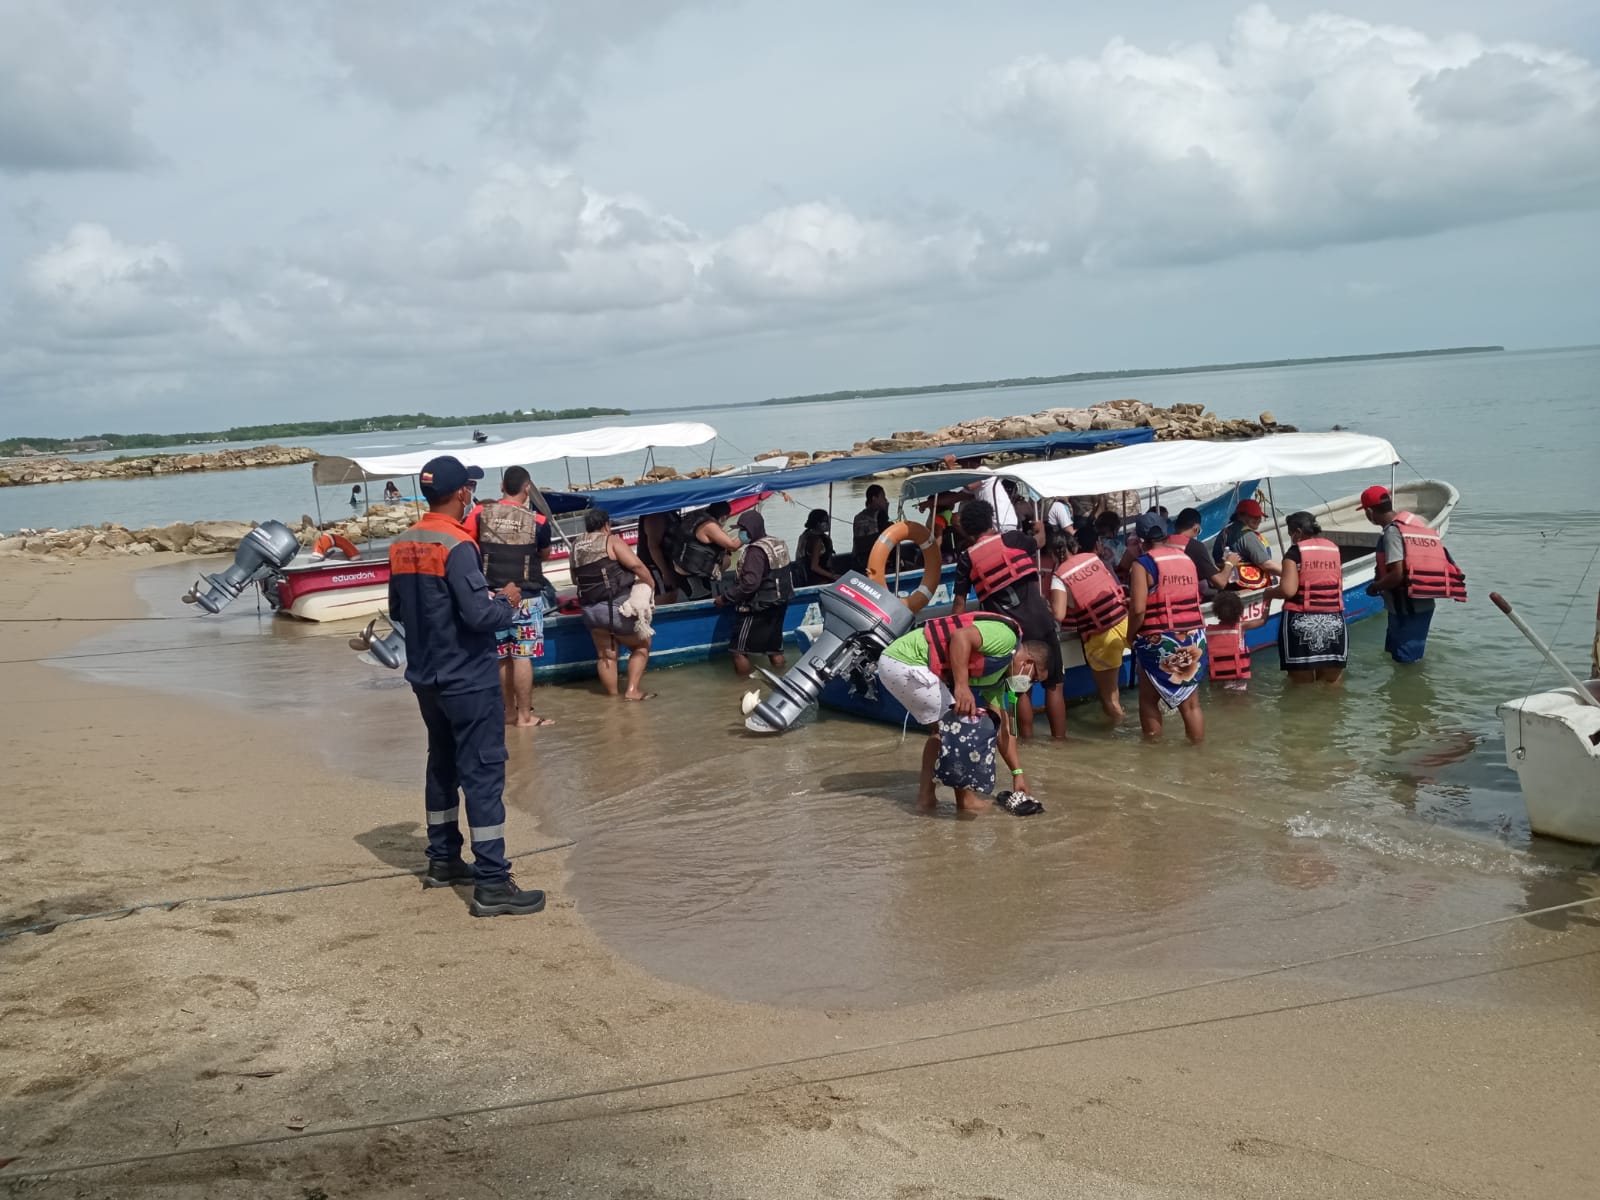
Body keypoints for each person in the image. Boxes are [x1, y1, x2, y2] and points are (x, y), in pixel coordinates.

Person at [386, 455, 544, 918]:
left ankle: (443, 860)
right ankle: (493, 883)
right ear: (461, 494)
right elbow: (479, 616)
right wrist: (508, 601)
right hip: (467, 678)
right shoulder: (456, 544)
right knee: (483, 773)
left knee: (442, 765)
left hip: (426, 676)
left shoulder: (402, 543)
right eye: (470, 489)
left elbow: (399, 608)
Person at [875, 611, 1050, 813]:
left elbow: (1003, 729)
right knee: (963, 728)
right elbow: (961, 636)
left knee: (945, 730)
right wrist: (962, 686)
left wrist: (1017, 773)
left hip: (900, 665)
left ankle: (928, 799)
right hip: (906, 661)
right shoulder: (1006, 638)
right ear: (1028, 663)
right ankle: (960, 801)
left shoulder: (998, 676)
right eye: (1034, 679)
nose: (1029, 685)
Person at [952, 500, 1065, 739]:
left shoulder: (966, 559)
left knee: (1020, 691)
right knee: (1053, 685)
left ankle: (1026, 743)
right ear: (991, 520)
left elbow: (959, 607)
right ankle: (1061, 740)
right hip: (1042, 621)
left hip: (1013, 633)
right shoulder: (1013, 539)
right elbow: (1040, 542)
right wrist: (1040, 527)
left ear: (967, 530)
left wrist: (958, 639)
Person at [477, 465, 554, 728]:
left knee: (501, 656)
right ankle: (525, 716)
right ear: (527, 488)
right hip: (526, 597)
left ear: (501, 487)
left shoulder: (480, 513)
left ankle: (508, 712)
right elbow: (544, 555)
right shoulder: (539, 521)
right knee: (522, 657)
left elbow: (469, 544)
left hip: (492, 597)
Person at [1361, 485, 1466, 663]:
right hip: (1418, 604)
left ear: (1370, 511)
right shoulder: (1413, 526)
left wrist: (1374, 587)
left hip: (1408, 607)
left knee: (1405, 661)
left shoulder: (1392, 533)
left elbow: (1397, 575)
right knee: (1396, 656)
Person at [1126, 511, 1206, 743]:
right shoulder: (1185, 558)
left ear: (1141, 541)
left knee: (1148, 700)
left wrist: (1130, 636)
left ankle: (1152, 752)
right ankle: (1198, 753)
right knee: (1191, 705)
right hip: (1194, 637)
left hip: (1160, 639)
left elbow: (1139, 609)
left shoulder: (1143, 564)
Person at [572, 509, 656, 699]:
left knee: (606, 656)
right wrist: (650, 583)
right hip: (614, 608)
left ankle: (612, 698)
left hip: (591, 611)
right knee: (642, 646)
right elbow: (635, 565)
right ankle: (632, 691)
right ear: (606, 525)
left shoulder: (576, 546)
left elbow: (573, 577)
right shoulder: (611, 541)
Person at [1049, 527, 1130, 722]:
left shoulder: (1058, 576)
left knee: (1110, 698)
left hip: (1100, 635)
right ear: (1073, 546)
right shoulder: (1092, 559)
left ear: (1053, 554)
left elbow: (1058, 614)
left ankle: (1123, 731)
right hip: (1124, 622)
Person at [1274, 510, 1348, 683]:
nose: (1291, 538)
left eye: (1291, 534)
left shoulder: (1294, 553)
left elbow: (1288, 590)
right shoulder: (1334, 549)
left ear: (1298, 532)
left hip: (1301, 621)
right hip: (1334, 622)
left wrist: (1269, 593)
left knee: (1301, 683)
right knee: (1332, 681)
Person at [718, 509, 793, 676]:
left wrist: (725, 598)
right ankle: (783, 679)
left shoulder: (755, 552)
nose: (741, 534)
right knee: (774, 649)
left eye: (743, 529)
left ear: (752, 528)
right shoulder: (777, 542)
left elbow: (750, 584)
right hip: (780, 603)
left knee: (738, 650)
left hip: (759, 607)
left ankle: (743, 688)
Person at [672, 501, 740, 600]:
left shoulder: (697, 518)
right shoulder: (709, 526)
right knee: (702, 604)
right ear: (724, 517)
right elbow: (733, 546)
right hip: (692, 577)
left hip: (683, 569)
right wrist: (747, 532)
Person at [1205, 590, 1264, 692]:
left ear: (1216, 612)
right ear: (1239, 611)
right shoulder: (1241, 627)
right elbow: (1262, 621)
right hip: (1238, 678)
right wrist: (1268, 601)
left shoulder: (1208, 631)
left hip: (1217, 678)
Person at [1170, 506, 1235, 597]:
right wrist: (1230, 563)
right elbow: (1220, 583)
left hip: (1168, 597)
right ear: (1196, 528)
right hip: (1190, 600)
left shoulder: (1163, 543)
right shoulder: (1196, 547)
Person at [1211, 499, 1280, 572]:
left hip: (1226, 578)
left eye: (1259, 516)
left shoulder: (1225, 531)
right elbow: (1266, 564)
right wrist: (1289, 574)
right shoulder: (1247, 535)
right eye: (1254, 516)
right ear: (1240, 515)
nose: (1258, 519)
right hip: (1247, 581)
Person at [638, 509, 683, 602]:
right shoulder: (655, 515)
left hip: (668, 563)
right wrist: (665, 572)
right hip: (655, 567)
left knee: (672, 596)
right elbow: (653, 546)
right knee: (665, 599)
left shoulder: (669, 512)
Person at [851, 485, 891, 571]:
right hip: (874, 561)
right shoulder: (880, 514)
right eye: (883, 497)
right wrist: (885, 511)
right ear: (874, 499)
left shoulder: (858, 517)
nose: (886, 500)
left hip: (858, 560)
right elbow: (888, 536)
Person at [795, 508, 839, 585]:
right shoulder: (817, 541)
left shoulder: (804, 535)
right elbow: (814, 567)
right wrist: (833, 576)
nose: (829, 523)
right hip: (816, 579)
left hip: (803, 577)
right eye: (826, 521)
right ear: (818, 523)